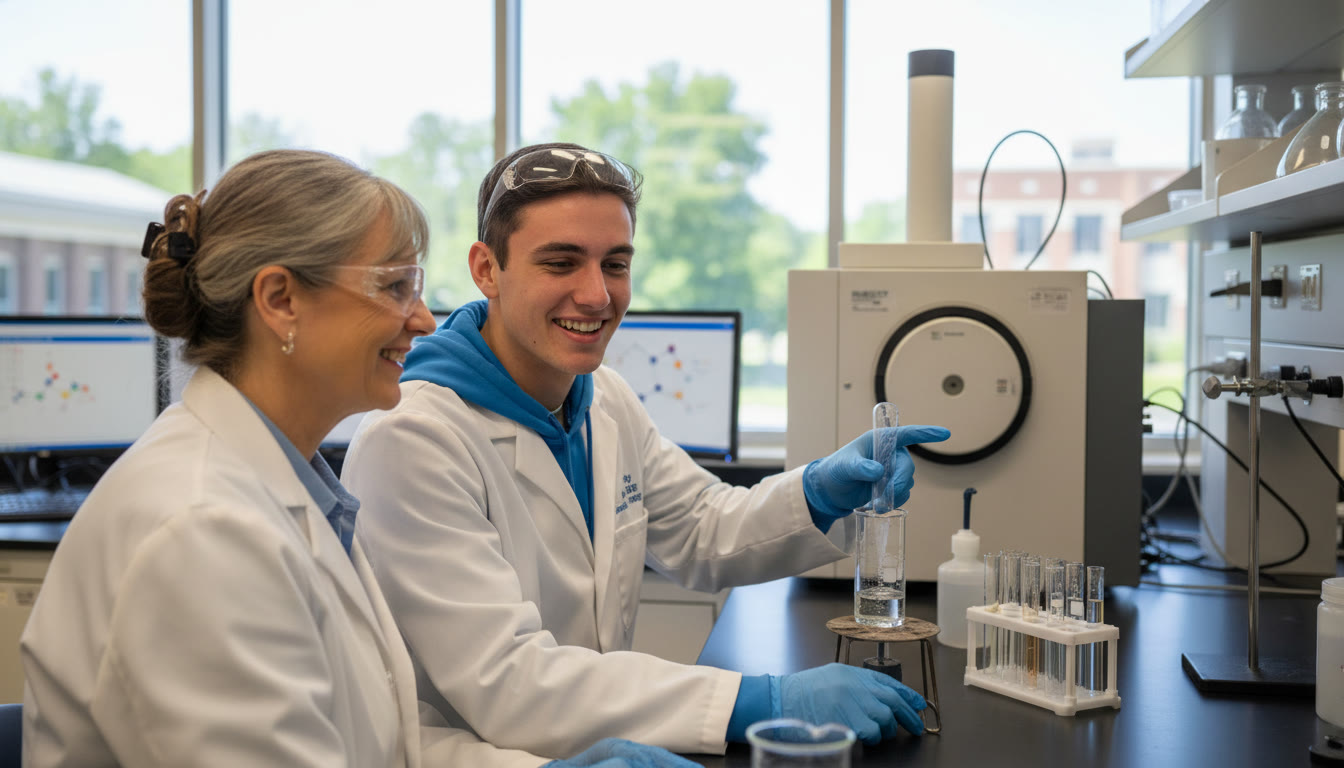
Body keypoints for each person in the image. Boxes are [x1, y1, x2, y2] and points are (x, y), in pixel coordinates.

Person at [20, 149, 695, 768]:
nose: (424, 319)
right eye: (394, 286)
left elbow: (383, 740)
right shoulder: (201, 528)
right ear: (280, 300)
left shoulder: (289, 488)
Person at [341, 142, 952, 759]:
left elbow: (700, 527)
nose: (596, 295)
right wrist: (761, 700)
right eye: (561, 262)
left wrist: (818, 493)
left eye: (615, 264)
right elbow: (507, 678)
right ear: (486, 269)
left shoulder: (601, 398)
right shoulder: (414, 438)